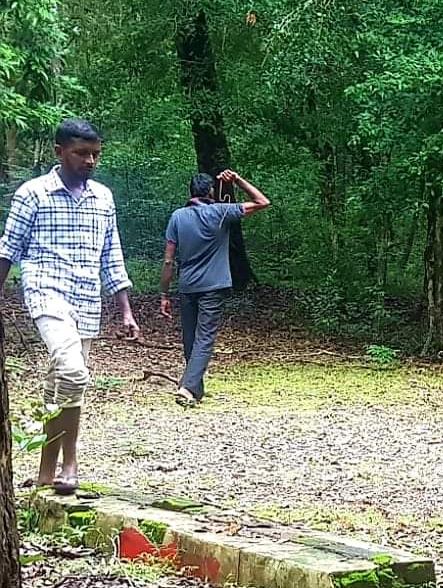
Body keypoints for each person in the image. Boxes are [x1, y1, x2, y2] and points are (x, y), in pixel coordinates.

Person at [0, 119, 139, 493]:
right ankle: (71, 462)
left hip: (87, 299)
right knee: (74, 372)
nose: (89, 161)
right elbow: (7, 249)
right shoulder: (33, 193)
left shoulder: (103, 198)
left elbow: (112, 255)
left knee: (61, 381)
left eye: (95, 154)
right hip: (46, 292)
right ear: (59, 152)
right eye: (81, 153)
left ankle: (47, 471)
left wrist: (125, 310)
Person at [159, 169, 270, 405]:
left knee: (190, 338)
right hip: (214, 286)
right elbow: (262, 202)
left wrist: (164, 294)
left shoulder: (177, 216)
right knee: (204, 337)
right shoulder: (222, 212)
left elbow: (168, 260)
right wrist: (237, 180)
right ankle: (189, 388)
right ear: (210, 191)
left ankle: (193, 389)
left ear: (190, 192)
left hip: (187, 285)